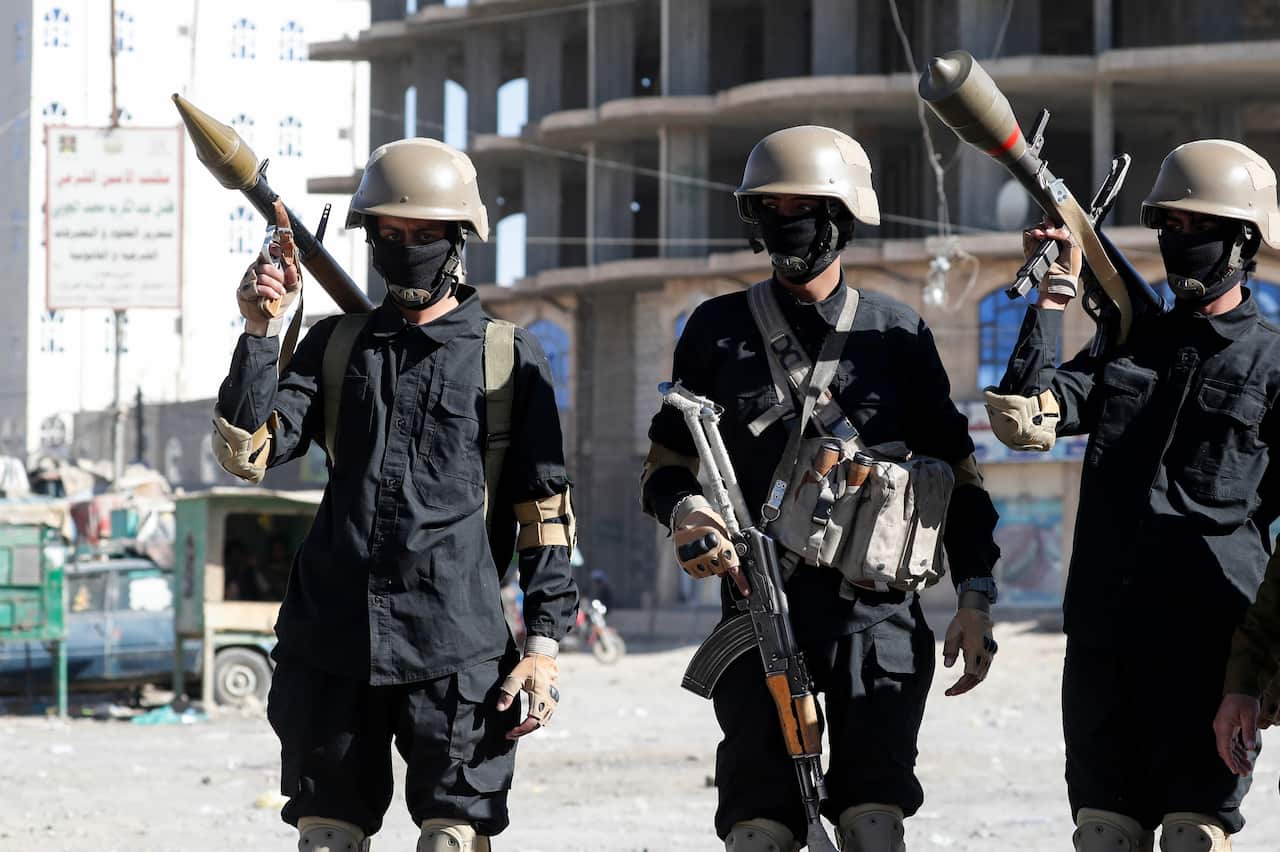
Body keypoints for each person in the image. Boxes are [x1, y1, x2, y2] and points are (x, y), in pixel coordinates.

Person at [211, 137, 579, 852]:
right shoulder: (335, 345)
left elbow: (543, 513)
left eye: (423, 235)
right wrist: (261, 328)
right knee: (326, 839)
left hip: (457, 650)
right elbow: (249, 453)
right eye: (390, 234)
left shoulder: (507, 356)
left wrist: (543, 645)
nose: (405, 246)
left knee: (453, 841)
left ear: (458, 240)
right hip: (330, 641)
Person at [641, 125, 1002, 852]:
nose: (785, 224)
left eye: (802, 207)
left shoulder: (896, 334)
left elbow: (958, 473)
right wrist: (686, 513)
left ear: (842, 215)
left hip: (877, 621)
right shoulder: (714, 330)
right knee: (757, 828)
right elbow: (664, 463)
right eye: (769, 209)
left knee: (872, 823)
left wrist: (975, 596)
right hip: (757, 611)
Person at [984, 139, 1280, 851]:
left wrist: (1255, 675)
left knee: (1192, 837)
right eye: (1168, 227)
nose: (1180, 244)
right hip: (1102, 645)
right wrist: (1051, 303)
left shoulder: (1274, 364)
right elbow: (1026, 420)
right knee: (1103, 836)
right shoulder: (1129, 343)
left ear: (1245, 242)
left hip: (1207, 651)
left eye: (1199, 229)